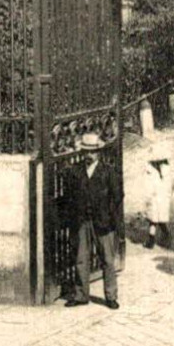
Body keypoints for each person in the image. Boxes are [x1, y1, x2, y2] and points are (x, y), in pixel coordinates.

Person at [62, 132, 121, 310]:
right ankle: (81, 295)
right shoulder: (75, 170)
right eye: (86, 151)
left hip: (103, 223)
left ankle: (111, 296)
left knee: (108, 260)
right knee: (81, 258)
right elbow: (69, 195)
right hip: (82, 221)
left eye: (93, 152)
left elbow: (117, 196)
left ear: (99, 152)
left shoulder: (108, 171)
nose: (89, 155)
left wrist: (109, 216)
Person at [143, 151, 173, 250]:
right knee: (158, 219)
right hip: (162, 198)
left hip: (155, 198)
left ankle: (152, 240)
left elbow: (148, 186)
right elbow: (171, 185)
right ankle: (166, 234)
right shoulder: (167, 169)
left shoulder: (149, 170)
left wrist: (147, 198)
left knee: (153, 220)